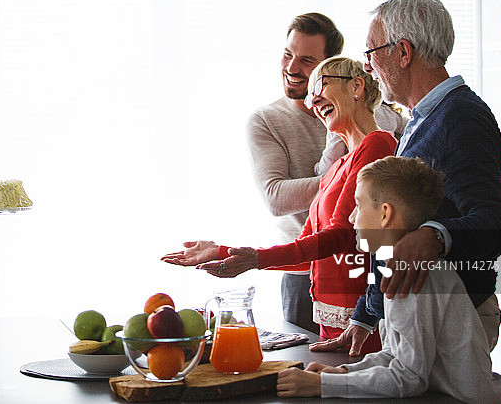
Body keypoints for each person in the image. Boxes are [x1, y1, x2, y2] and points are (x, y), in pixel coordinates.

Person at [311, 0, 501, 357]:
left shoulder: (462, 117)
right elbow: (393, 235)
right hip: (424, 315)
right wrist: (365, 317)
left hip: (454, 317)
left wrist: (434, 237)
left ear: (403, 52)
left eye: (371, 53)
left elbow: (495, 223)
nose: (367, 67)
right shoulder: (421, 119)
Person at [164, 57, 396, 354]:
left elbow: (340, 235)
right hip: (331, 322)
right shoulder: (336, 169)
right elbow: (309, 255)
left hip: (364, 322)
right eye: (310, 96)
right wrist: (224, 252)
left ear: (357, 87)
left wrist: (256, 259)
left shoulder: (377, 144)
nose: (314, 101)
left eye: (320, 86)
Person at [276, 156, 501, 403]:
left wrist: (321, 385)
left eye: (358, 205)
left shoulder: (410, 276)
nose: (352, 218)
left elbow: (408, 378)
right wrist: (343, 372)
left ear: (385, 214)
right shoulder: (400, 267)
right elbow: (393, 355)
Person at [247, 13, 406, 333]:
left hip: (359, 265)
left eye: (307, 61)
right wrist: (345, 173)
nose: (292, 68)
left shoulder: (374, 122)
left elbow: (403, 146)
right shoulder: (268, 120)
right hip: (302, 268)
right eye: (288, 54)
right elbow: (276, 198)